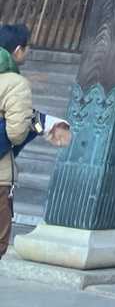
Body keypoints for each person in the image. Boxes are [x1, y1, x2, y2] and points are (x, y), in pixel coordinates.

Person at [0, 23, 69, 260]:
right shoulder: (15, 84)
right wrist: (38, 123)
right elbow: (16, 133)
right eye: (28, 47)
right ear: (18, 50)